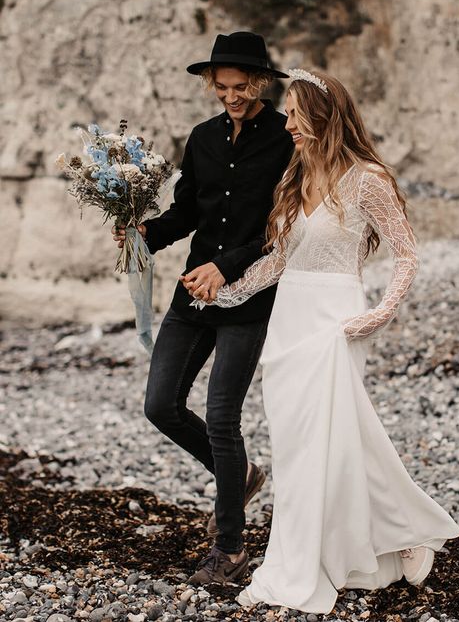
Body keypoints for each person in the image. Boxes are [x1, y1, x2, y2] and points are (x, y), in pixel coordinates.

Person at [184, 68, 459, 614]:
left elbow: (407, 253)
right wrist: (227, 294)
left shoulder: (367, 180)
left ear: (322, 115)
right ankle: (395, 536)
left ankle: (305, 562)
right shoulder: (295, 175)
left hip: (338, 318)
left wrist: (382, 312)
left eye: (294, 114)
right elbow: (282, 261)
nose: (287, 124)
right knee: (303, 446)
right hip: (290, 318)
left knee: (328, 443)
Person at [112, 32, 294, 583]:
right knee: (160, 404)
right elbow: (186, 210)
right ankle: (238, 476)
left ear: (260, 83)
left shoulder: (289, 139)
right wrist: (145, 233)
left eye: (241, 87)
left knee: (221, 418)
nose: (231, 96)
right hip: (193, 294)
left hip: (249, 297)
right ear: (210, 84)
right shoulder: (202, 138)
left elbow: (283, 228)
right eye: (222, 87)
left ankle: (231, 549)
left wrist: (229, 266)